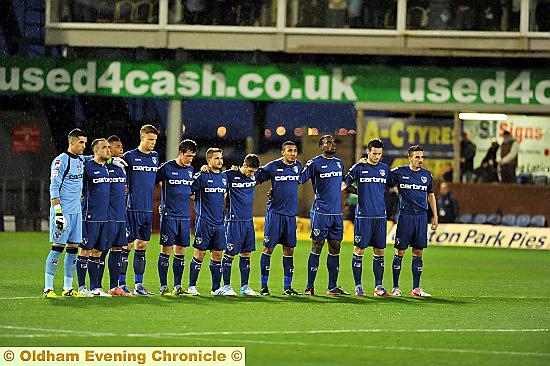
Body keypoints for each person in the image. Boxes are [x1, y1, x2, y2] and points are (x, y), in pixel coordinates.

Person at [387, 145, 438, 297]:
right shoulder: (399, 172)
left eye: (422, 157)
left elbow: (431, 196)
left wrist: (435, 216)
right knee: (400, 251)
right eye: (417, 157)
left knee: (418, 251)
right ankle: (395, 287)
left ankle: (416, 288)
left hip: (421, 217)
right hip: (405, 216)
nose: (420, 160)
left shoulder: (427, 176)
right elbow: (386, 179)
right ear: (410, 158)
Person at [301, 135, 349, 296]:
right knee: (317, 246)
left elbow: (343, 184)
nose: (332, 144)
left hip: (336, 214)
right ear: (321, 146)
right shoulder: (314, 163)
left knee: (335, 247)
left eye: (333, 142)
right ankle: (309, 287)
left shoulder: (339, 163)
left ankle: (332, 287)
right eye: (328, 142)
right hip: (321, 212)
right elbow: (299, 179)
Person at [343, 139, 391, 297]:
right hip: (363, 216)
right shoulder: (359, 167)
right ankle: (358, 286)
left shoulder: (384, 169)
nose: (377, 156)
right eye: (374, 153)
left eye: (379, 154)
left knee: (379, 251)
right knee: (359, 249)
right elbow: (344, 184)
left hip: (380, 216)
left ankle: (379, 287)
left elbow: (395, 185)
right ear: (368, 152)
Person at [43, 128, 88, 298]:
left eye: (85, 142)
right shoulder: (60, 161)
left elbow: (95, 158)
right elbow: (53, 186)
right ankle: (48, 288)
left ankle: (68, 288)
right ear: (72, 142)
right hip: (63, 212)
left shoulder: (81, 160)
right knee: (57, 248)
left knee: (73, 249)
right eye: (81, 142)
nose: (84, 145)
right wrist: (58, 212)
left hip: (77, 213)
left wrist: (112, 160)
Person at [256, 141, 302, 296]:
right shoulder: (273, 166)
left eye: (295, 150)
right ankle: (264, 287)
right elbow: (255, 177)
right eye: (290, 150)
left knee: (289, 250)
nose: (293, 153)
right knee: (268, 249)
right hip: (275, 214)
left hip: (290, 216)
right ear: (283, 152)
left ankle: (287, 288)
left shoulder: (298, 166)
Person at [120, 124, 160, 296]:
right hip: (132, 208)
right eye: (150, 139)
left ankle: (139, 285)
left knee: (142, 245)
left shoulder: (155, 157)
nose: (153, 143)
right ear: (141, 138)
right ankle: (121, 283)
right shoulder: (129, 156)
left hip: (147, 209)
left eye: (155, 140)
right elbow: (118, 174)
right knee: (126, 245)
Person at [156, 139, 197, 296]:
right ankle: (163, 286)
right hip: (169, 216)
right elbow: (150, 181)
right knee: (166, 249)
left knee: (181, 250)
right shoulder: (167, 168)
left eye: (192, 157)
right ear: (180, 153)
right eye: (188, 156)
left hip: (184, 216)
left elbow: (190, 191)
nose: (190, 160)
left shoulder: (191, 170)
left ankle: (178, 286)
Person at [188, 148, 228, 296]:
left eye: (221, 158)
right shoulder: (202, 176)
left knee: (218, 255)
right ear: (209, 161)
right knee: (199, 254)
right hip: (204, 222)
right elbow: (188, 191)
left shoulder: (224, 177)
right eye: (216, 158)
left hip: (219, 223)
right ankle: (192, 286)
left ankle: (216, 288)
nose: (220, 161)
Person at [221, 154, 262, 296]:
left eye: (254, 172)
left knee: (246, 253)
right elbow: (213, 177)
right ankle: (226, 286)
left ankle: (245, 287)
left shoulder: (254, 176)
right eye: (250, 171)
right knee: (230, 254)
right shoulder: (229, 175)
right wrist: (205, 168)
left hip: (248, 222)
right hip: (233, 221)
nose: (252, 174)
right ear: (244, 165)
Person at [77, 138, 112, 297]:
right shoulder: (87, 167)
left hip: (104, 218)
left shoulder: (106, 168)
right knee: (84, 251)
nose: (108, 150)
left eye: (108, 147)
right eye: (104, 147)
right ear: (96, 151)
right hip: (89, 217)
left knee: (98, 252)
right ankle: (81, 287)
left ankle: (95, 287)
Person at [105, 135, 132, 296]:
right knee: (99, 250)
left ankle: (115, 286)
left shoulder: (122, 167)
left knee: (118, 249)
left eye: (122, 145)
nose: (121, 148)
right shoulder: (104, 166)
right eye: (117, 146)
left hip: (121, 215)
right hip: (106, 216)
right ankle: (95, 287)